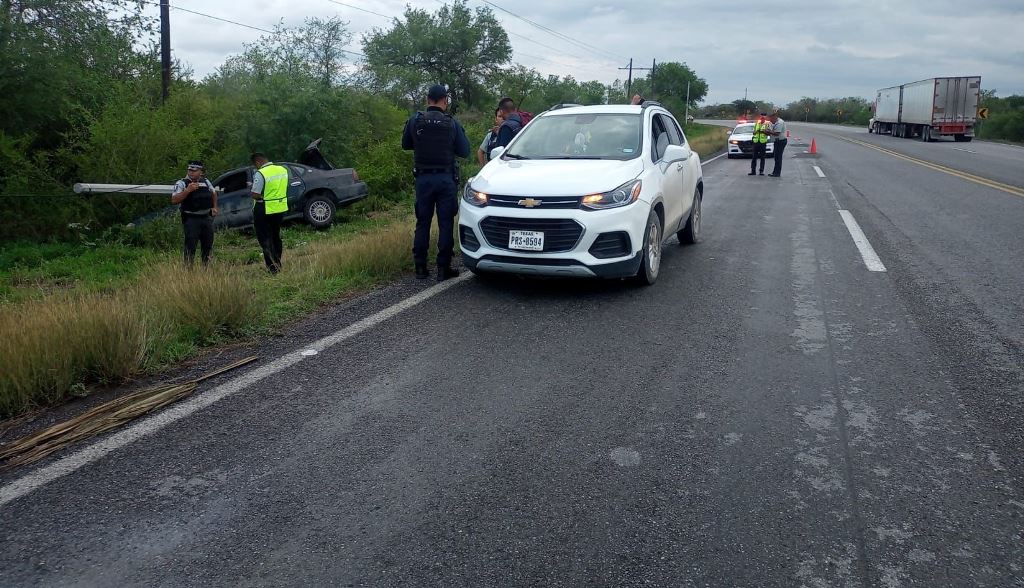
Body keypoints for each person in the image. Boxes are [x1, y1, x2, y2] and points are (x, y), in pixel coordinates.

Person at [401, 84, 471, 281]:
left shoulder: (415, 120)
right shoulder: (451, 123)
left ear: (427, 99)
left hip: (423, 179)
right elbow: (464, 151)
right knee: (446, 223)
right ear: (445, 100)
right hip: (445, 179)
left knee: (422, 222)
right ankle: (443, 268)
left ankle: (420, 268)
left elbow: (405, 145)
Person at [170, 160, 218, 266]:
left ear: (201, 172)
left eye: (194, 170)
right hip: (191, 219)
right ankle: (189, 270)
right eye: (189, 170)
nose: (191, 172)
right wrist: (188, 190)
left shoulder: (205, 181)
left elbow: (213, 193)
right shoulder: (182, 183)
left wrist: (215, 207)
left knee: (208, 244)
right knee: (190, 245)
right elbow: (174, 200)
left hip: (206, 218)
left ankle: (206, 269)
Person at [249, 152, 289, 274]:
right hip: (280, 208)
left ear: (258, 162)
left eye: (255, 165)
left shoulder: (261, 173)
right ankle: (277, 262)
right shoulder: (282, 169)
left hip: (264, 208)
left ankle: (273, 268)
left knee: (265, 239)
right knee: (276, 237)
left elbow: (255, 195)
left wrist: (260, 192)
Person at [767, 112, 788, 177]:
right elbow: (771, 130)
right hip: (777, 141)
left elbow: (777, 133)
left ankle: (777, 173)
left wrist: (768, 131)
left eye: (771, 119)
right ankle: (775, 172)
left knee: (778, 157)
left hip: (781, 141)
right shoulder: (773, 122)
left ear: (775, 117)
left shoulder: (780, 122)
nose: (770, 120)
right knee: (776, 157)